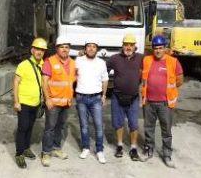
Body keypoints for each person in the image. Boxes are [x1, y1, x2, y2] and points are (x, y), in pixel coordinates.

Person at [141, 34, 184, 168]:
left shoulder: (173, 61)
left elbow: (180, 80)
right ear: (152, 49)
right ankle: (148, 150)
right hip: (148, 101)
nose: (158, 50)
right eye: (155, 48)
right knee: (149, 128)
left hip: (165, 103)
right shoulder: (146, 60)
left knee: (166, 130)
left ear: (165, 48)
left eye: (160, 48)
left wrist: (167, 90)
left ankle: (167, 154)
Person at [106, 33, 143, 161]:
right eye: (126, 44)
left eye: (131, 45)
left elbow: (153, 62)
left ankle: (133, 148)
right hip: (117, 96)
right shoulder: (114, 58)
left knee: (133, 124)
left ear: (135, 46)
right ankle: (120, 145)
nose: (128, 47)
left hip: (133, 98)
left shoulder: (141, 58)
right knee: (118, 123)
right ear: (122, 46)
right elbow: (101, 68)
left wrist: (167, 53)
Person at [40, 35, 76, 167]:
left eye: (67, 47)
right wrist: (47, 99)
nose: (65, 49)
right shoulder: (50, 62)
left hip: (66, 103)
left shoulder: (72, 63)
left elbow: (71, 82)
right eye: (62, 47)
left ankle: (56, 148)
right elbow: (44, 82)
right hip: (53, 103)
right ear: (57, 49)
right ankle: (46, 152)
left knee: (60, 127)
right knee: (49, 128)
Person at [13, 37, 48, 168]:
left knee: (30, 127)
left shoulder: (44, 64)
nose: (40, 52)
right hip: (24, 103)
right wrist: (16, 101)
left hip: (36, 103)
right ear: (32, 50)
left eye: (42, 50)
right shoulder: (23, 65)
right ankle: (19, 154)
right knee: (22, 128)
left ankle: (26, 148)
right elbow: (15, 82)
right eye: (37, 49)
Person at [75, 39, 109, 164]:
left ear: (97, 49)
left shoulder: (101, 63)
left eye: (93, 46)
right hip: (81, 97)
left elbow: (105, 79)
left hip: (96, 98)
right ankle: (85, 148)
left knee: (98, 126)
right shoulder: (78, 61)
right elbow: (72, 75)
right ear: (85, 49)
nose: (91, 48)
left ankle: (99, 150)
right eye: (88, 46)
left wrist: (104, 95)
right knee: (84, 126)